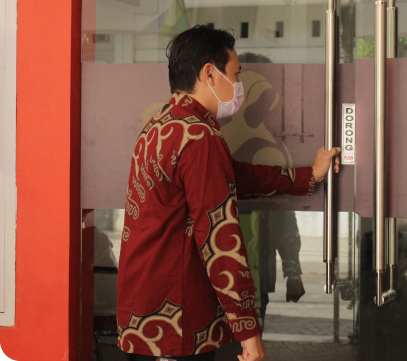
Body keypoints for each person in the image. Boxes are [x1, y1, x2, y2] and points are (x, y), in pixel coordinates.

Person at [116, 25, 340, 361]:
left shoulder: (161, 125)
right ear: (209, 74)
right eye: (235, 74)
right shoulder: (197, 137)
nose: (238, 84)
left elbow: (233, 176)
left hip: (145, 313)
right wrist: (248, 332)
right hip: (175, 321)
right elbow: (219, 238)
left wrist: (309, 175)